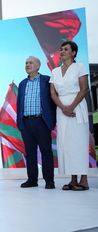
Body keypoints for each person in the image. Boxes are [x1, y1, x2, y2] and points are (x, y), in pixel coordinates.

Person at [50, 41, 90, 191]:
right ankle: (73, 179)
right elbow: (53, 92)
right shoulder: (55, 71)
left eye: (66, 49)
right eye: (61, 49)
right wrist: (63, 108)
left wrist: (71, 107)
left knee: (79, 143)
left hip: (77, 107)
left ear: (73, 53)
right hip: (62, 109)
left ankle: (84, 180)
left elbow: (84, 88)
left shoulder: (79, 67)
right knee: (66, 144)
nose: (62, 52)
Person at [16, 56, 56, 189]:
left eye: (31, 63)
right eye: (26, 63)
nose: (28, 65)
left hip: (42, 121)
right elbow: (19, 104)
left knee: (46, 151)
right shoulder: (22, 84)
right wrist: (20, 123)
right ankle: (32, 179)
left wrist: (52, 120)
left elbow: (52, 100)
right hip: (27, 122)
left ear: (38, 66)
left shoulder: (46, 80)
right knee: (30, 153)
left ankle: (49, 180)